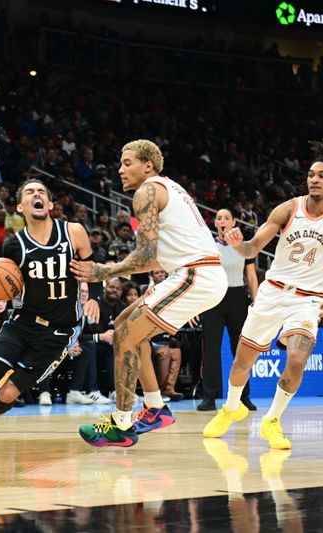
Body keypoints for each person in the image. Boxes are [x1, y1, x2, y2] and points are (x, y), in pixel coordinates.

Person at [203, 139, 323, 450]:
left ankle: (272, 420)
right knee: (242, 361)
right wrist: (236, 243)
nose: (314, 179)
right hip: (273, 292)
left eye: (321, 175)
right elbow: (252, 248)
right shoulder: (288, 208)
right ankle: (231, 408)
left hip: (307, 300)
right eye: (311, 174)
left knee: (297, 357)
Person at [72, 139, 227, 447]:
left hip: (196, 273)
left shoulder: (148, 191)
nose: (120, 169)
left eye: (127, 162)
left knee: (128, 332)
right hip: (191, 273)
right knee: (123, 330)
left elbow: (143, 258)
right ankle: (156, 407)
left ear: (148, 166)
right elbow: (153, 259)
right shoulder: (170, 190)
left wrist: (101, 271)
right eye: (120, 163)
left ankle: (122, 424)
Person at [0, 179, 100, 450]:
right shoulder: (13, 246)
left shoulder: (74, 232)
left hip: (59, 332)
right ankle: (9, 373)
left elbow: (93, 268)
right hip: (24, 322)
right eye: (30, 192)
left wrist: (95, 298)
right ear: (20, 207)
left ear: (50, 204)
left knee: (8, 392)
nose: (37, 194)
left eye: (42, 191)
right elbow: (6, 287)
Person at [198, 208, 259, 412]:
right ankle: (209, 397)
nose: (222, 221)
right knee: (211, 350)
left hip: (237, 298)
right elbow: (200, 274)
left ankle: (244, 396)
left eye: (226, 218)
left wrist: (257, 302)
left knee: (240, 350)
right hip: (213, 298)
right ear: (215, 223)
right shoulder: (208, 245)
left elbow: (251, 276)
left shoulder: (243, 246)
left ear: (234, 222)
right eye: (219, 218)